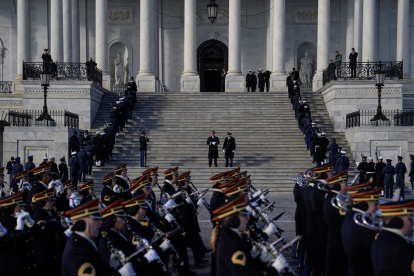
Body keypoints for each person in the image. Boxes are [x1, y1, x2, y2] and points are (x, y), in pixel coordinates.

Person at [210, 194, 290, 276]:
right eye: (244, 215)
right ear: (235, 220)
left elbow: (247, 267)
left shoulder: (233, 236)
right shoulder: (229, 243)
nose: (248, 218)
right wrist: (274, 269)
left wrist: (260, 260)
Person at [62, 198, 135, 276]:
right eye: (95, 219)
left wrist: (110, 266)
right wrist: (120, 274)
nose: (101, 222)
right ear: (82, 223)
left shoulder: (84, 242)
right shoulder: (77, 251)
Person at [371, 200, 414, 275]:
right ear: (398, 221)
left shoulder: (383, 237)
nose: (412, 223)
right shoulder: (397, 247)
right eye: (409, 219)